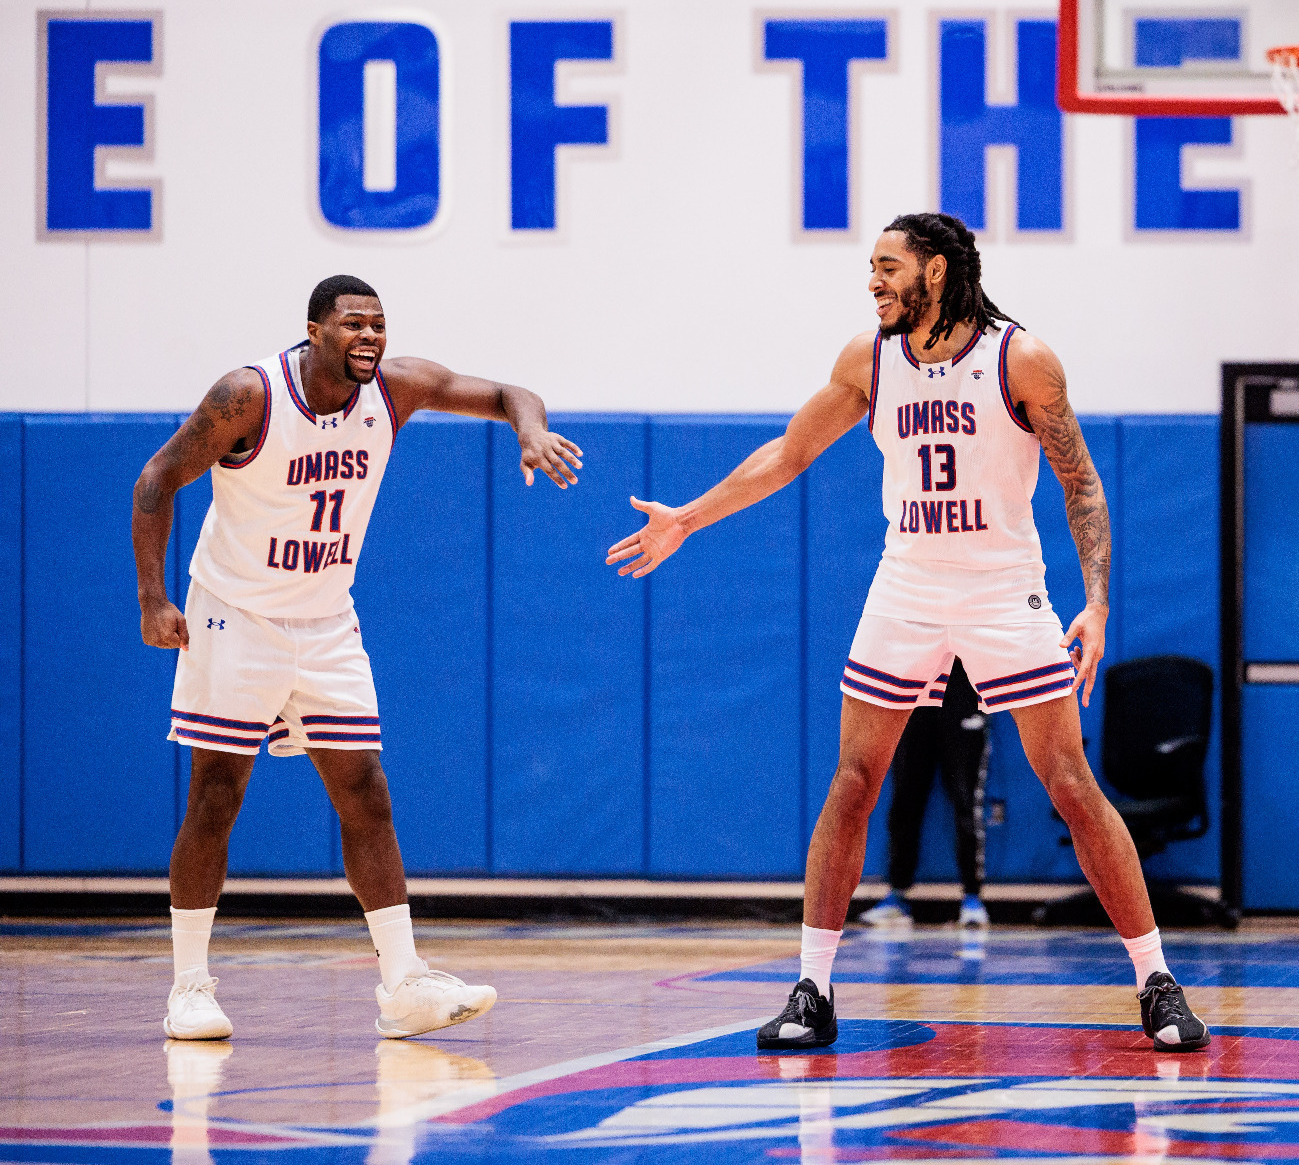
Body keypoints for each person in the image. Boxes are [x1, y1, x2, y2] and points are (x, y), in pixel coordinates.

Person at [608, 212, 1209, 1054]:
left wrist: (1097, 603)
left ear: (935, 271)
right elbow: (788, 454)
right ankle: (813, 988)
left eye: (887, 266)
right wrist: (690, 518)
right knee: (855, 777)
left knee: (1070, 781)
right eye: (871, 267)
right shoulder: (870, 358)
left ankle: (1156, 981)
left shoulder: (1021, 359)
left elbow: (1081, 487)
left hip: (1005, 588)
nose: (873, 281)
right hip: (908, 583)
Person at [133, 275, 584, 1041]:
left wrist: (529, 431)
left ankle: (404, 983)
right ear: (315, 331)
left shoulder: (397, 388)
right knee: (216, 794)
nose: (369, 335)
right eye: (352, 324)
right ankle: (188, 987)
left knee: (366, 790)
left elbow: (513, 391)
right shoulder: (250, 395)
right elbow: (157, 478)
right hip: (232, 614)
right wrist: (153, 599)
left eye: (378, 322)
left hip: (325, 618)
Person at [859, 659, 993, 930]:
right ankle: (897, 895)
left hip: (963, 693)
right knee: (905, 798)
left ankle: (972, 898)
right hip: (916, 693)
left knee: (966, 800)